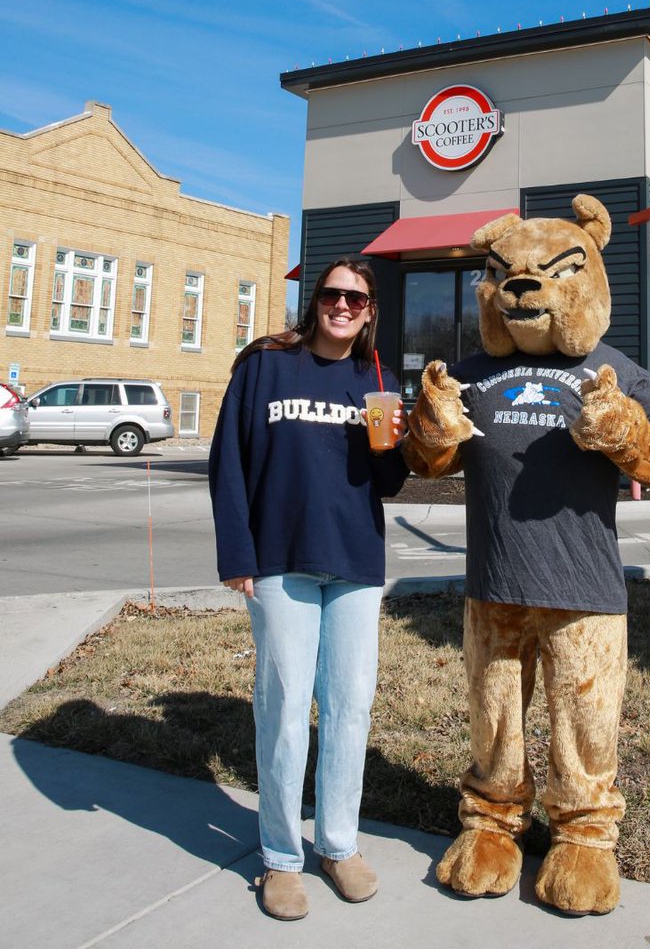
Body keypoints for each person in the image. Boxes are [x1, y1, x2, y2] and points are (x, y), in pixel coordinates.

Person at [209, 258, 408, 921]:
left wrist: (393, 447)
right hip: (279, 560)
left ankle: (339, 845)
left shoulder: (375, 377)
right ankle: (280, 858)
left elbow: (389, 486)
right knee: (287, 709)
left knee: (351, 710)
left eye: (356, 297)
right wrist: (237, 554)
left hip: (354, 560)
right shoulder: (265, 366)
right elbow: (227, 463)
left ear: (369, 309)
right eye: (333, 294)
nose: (344, 305)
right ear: (313, 301)